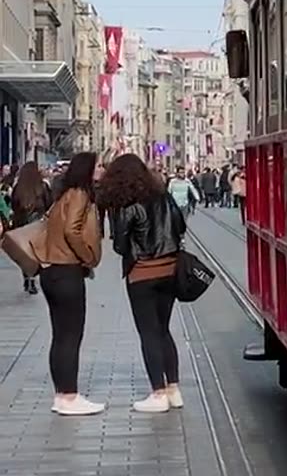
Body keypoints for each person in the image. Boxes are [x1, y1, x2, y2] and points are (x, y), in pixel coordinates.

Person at [98, 153, 186, 413]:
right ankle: (174, 389)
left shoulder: (127, 205)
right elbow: (180, 227)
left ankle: (158, 393)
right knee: (164, 329)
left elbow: (120, 245)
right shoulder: (163, 196)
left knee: (148, 332)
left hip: (142, 274)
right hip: (169, 270)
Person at [39, 152, 105, 416]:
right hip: (67, 271)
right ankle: (69, 396)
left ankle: (61, 394)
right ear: (87, 170)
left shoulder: (62, 195)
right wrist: (87, 257)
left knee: (60, 335)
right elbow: (72, 230)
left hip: (51, 271)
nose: (101, 169)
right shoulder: (79, 194)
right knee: (71, 336)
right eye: (98, 165)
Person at [11, 161, 52, 295]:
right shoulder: (43, 187)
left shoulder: (18, 187)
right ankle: (33, 278)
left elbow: (14, 205)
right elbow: (49, 204)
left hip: (22, 225)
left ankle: (28, 278)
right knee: (36, 253)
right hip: (38, 225)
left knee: (25, 253)